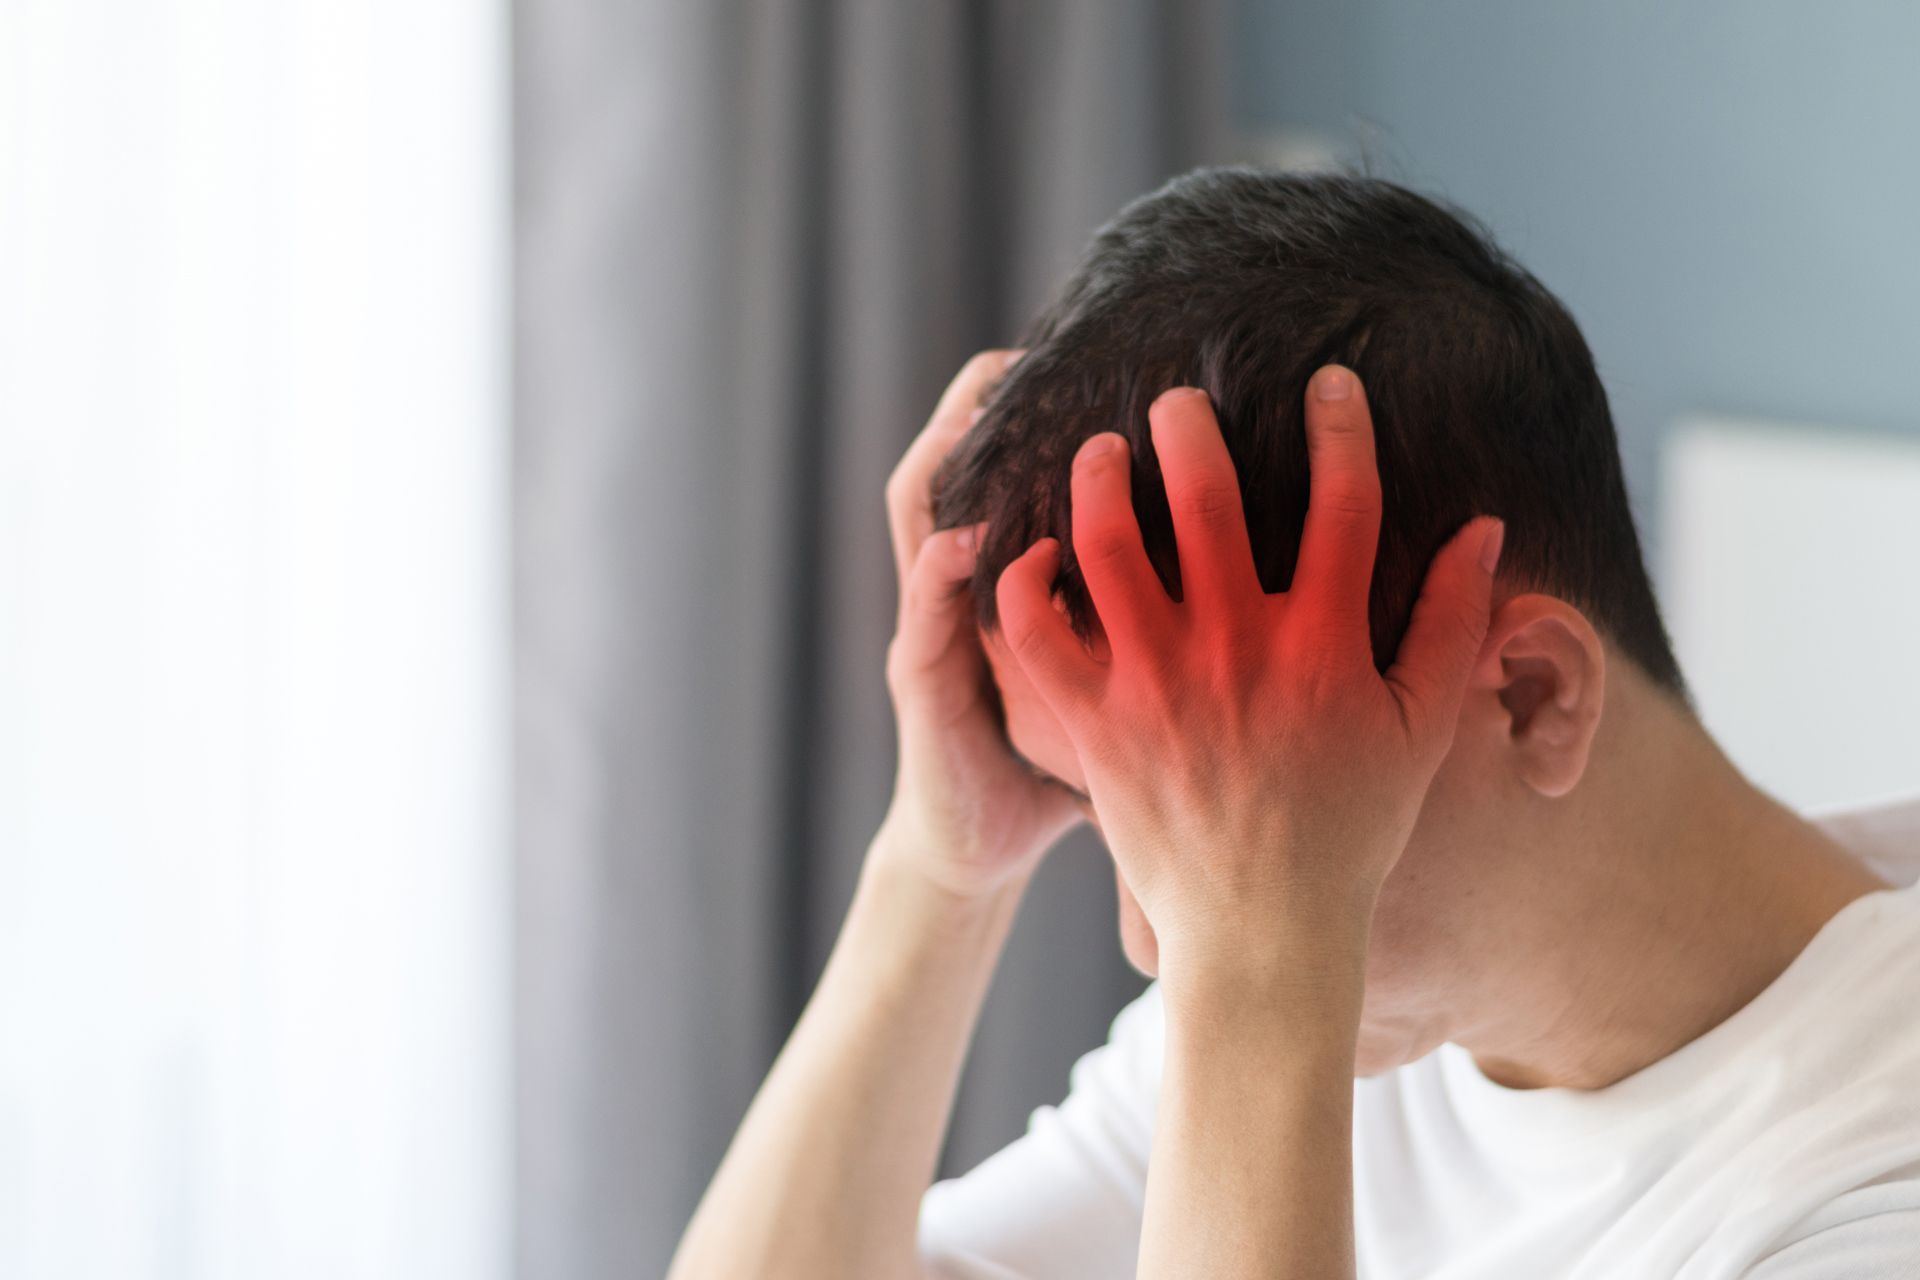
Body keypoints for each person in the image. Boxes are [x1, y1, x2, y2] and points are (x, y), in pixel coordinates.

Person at [667, 169, 1920, 1278]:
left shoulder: (1873, 1192)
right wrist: (943, 870)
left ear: (1531, 695)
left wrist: (1263, 955)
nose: (1157, 942)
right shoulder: (1298, 995)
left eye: (1224, 803)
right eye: (1117, 815)